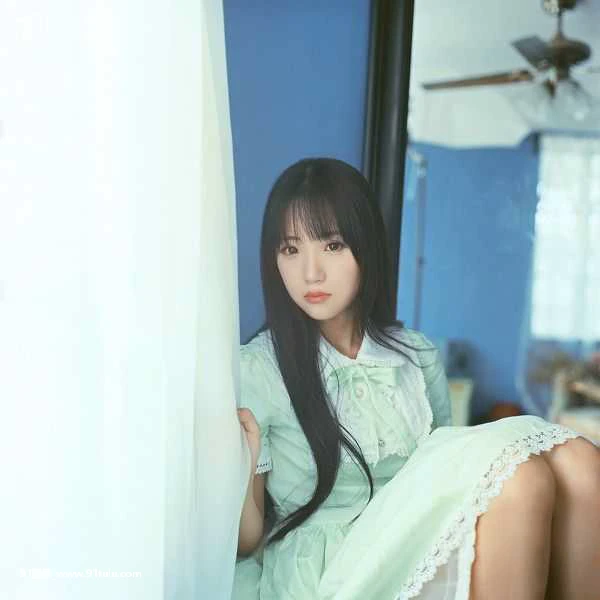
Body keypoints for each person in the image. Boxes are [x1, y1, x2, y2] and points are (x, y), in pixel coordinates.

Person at [233, 158, 600, 600]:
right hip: (329, 569)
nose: (311, 272)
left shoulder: (415, 355)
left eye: (332, 245)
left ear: (366, 248)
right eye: (290, 250)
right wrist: (244, 458)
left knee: (581, 462)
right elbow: (245, 541)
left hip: (414, 539)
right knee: (520, 479)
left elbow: (446, 472)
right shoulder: (258, 367)